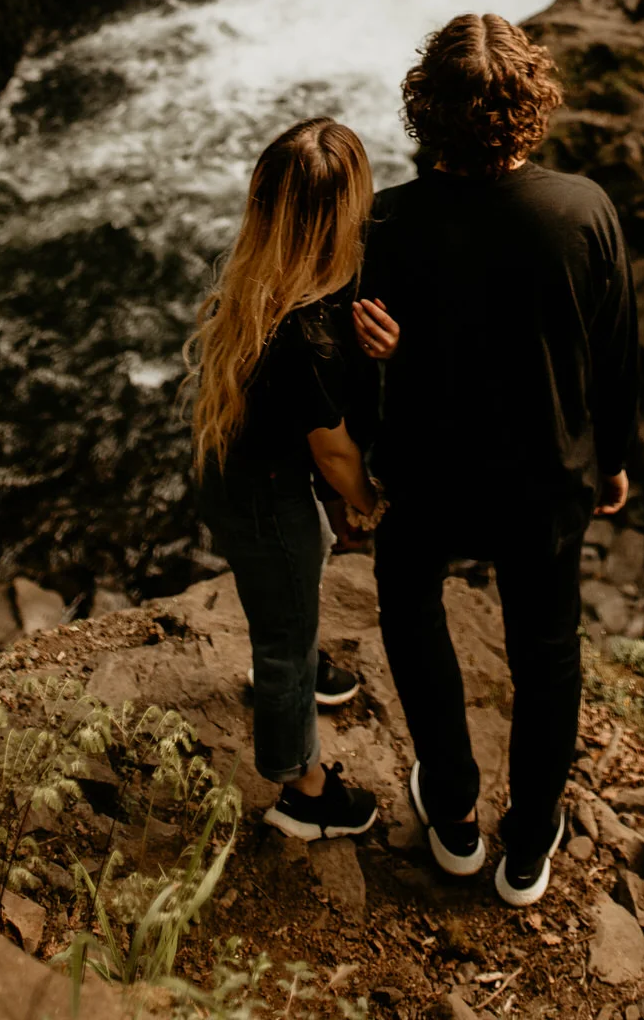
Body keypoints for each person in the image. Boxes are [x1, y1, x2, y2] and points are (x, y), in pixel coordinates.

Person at [364, 13, 639, 907]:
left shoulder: (385, 225)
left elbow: (347, 354)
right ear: (531, 104)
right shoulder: (582, 211)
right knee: (548, 650)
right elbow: (615, 351)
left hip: (425, 476)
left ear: (425, 109)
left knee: (412, 617)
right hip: (545, 477)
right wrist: (615, 457)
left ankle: (450, 815)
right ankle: (529, 844)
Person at [186, 116, 401, 841]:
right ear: (339, 214)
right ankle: (301, 789)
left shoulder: (265, 284)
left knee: (286, 600)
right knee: (281, 637)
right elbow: (335, 455)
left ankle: (301, 661)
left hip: (245, 474)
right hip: (265, 495)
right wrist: (368, 505)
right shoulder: (303, 334)